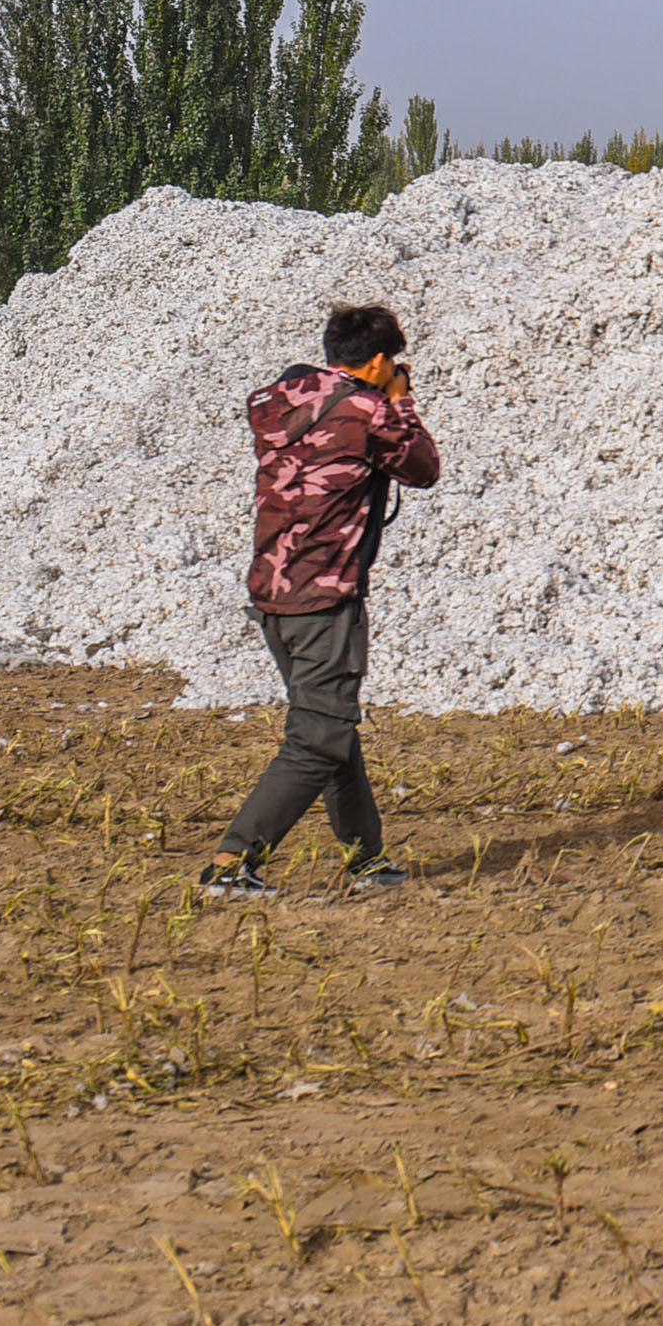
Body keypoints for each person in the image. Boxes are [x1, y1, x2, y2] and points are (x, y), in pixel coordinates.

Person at [201, 303, 442, 897]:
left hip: (271, 591)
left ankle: (365, 860)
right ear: (382, 360)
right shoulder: (370, 411)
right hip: (323, 596)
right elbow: (423, 467)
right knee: (319, 735)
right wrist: (399, 400)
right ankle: (233, 862)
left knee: (331, 726)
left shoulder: (274, 400)